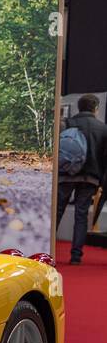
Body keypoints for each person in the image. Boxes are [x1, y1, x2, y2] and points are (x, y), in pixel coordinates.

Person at [60, 94, 107, 264]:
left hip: (66, 174)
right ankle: (76, 256)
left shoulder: (68, 124)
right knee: (81, 215)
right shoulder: (103, 128)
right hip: (90, 178)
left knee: (58, 211)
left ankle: (47, 250)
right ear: (95, 108)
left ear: (79, 107)